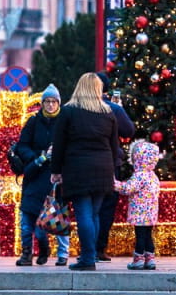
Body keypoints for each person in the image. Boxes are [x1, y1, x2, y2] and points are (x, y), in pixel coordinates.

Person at [50, 73, 120, 271]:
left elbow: (59, 144)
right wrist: (112, 171)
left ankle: (88, 258)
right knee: (95, 214)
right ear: (98, 89)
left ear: (80, 87)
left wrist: (55, 170)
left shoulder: (69, 111)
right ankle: (92, 254)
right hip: (103, 168)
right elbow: (114, 146)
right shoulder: (108, 112)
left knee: (84, 214)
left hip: (78, 169)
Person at [14, 84, 69, 266]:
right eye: (47, 101)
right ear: (42, 103)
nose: (51, 105)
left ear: (59, 103)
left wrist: (58, 158)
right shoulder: (33, 121)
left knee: (49, 217)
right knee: (27, 217)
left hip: (54, 176)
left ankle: (46, 248)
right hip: (34, 172)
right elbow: (22, 145)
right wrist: (37, 157)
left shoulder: (64, 122)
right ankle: (26, 254)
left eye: (54, 101)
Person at [93, 72, 134, 262]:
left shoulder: (75, 108)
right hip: (109, 162)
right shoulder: (114, 109)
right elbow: (129, 130)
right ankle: (99, 248)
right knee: (106, 207)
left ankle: (88, 248)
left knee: (87, 206)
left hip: (81, 165)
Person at [114, 140, 162, 270]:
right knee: (148, 236)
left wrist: (116, 184)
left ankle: (138, 259)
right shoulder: (153, 176)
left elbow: (128, 188)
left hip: (140, 213)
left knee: (140, 236)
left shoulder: (139, 175)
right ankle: (150, 259)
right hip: (151, 213)